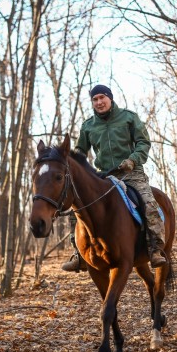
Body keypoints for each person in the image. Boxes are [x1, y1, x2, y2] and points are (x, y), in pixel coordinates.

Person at [62, 84, 167, 272]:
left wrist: (133, 160)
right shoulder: (88, 126)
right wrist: (74, 160)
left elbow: (143, 142)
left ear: (110, 98)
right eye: (95, 99)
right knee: (75, 207)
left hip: (131, 173)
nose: (99, 102)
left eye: (102, 97)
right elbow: (80, 153)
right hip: (103, 176)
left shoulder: (128, 117)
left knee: (149, 203)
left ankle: (156, 249)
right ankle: (79, 255)